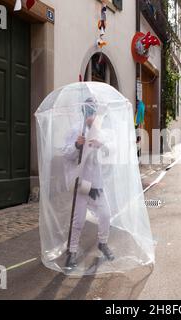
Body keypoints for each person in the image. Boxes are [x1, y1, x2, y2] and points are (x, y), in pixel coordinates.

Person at [62, 98, 114, 270]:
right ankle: (72, 251)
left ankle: (103, 243)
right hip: (82, 181)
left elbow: (110, 154)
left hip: (97, 182)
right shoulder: (76, 130)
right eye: (88, 110)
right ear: (84, 111)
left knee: (105, 214)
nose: (91, 113)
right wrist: (77, 145)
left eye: (94, 110)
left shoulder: (100, 131)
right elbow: (66, 154)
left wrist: (102, 146)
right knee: (78, 219)